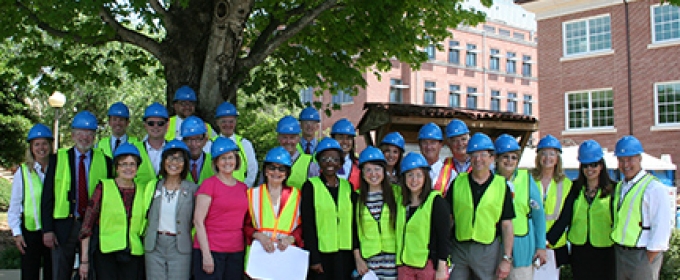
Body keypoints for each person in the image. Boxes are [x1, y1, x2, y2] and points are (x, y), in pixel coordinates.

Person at [41, 111, 113, 280]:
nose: (85, 137)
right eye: (80, 132)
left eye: (89, 133)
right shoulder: (57, 159)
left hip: (93, 227)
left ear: (94, 136)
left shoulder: (106, 161)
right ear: (72, 135)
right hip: (64, 226)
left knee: (89, 273)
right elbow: (47, 197)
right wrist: (48, 230)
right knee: (60, 272)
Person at [447, 133, 514, 280]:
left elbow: (507, 224)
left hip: (487, 250)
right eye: (474, 155)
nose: (478, 159)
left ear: (492, 158)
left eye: (483, 154)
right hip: (459, 248)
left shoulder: (501, 185)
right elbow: (449, 218)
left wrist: (506, 259)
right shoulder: (457, 182)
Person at [78, 143, 146, 280]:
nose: (128, 168)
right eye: (123, 164)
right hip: (106, 253)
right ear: (116, 167)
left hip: (133, 253)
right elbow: (87, 226)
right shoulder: (103, 187)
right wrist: (84, 261)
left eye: (132, 164)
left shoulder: (143, 190)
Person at [611, 136, 672, 280]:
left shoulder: (653, 188)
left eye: (630, 159)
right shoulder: (620, 186)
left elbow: (662, 224)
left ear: (640, 158)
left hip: (643, 254)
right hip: (621, 253)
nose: (626, 164)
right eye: (621, 160)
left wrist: (650, 255)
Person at [552, 140, 615, 280]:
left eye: (594, 164)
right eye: (585, 165)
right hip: (579, 250)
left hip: (605, 250)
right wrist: (546, 240)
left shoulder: (613, 189)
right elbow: (564, 218)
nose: (589, 169)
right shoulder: (574, 188)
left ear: (601, 166)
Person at [301, 137, 357, 279]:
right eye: (325, 159)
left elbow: (353, 223)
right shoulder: (310, 186)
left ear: (341, 162)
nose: (330, 163)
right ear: (319, 162)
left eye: (334, 159)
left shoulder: (347, 187)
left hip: (345, 255)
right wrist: (314, 258)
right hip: (322, 255)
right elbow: (308, 225)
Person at [193, 137, 249, 279]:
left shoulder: (243, 188)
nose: (227, 162)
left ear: (236, 160)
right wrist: (206, 255)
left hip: (236, 251)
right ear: (216, 162)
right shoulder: (209, 185)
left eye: (230, 157)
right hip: (211, 250)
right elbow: (198, 221)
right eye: (222, 158)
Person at [494, 134, 547, 280]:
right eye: (505, 156)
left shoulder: (526, 178)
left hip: (522, 246)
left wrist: (541, 246)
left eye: (514, 157)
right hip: (494, 245)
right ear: (496, 158)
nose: (510, 161)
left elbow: (538, 215)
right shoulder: (489, 180)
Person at [144, 140, 198, 280]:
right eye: (170, 157)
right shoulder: (153, 186)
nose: (174, 162)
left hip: (180, 246)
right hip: (155, 245)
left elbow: (197, 220)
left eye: (180, 158)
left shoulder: (193, 189)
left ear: (185, 163)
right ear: (163, 161)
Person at [8, 124, 54, 280]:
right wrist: (17, 233)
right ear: (31, 147)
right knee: (29, 275)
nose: (41, 148)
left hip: (53, 231)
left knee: (52, 274)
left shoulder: (58, 168)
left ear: (50, 145)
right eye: (37, 144)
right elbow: (14, 205)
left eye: (45, 143)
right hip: (30, 232)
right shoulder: (23, 172)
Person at [395, 152, 450, 280]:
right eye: (410, 175)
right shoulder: (400, 202)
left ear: (426, 177)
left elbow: (444, 237)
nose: (414, 180)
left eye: (419, 175)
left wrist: (442, 267)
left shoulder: (436, 201)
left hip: (428, 266)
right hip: (405, 265)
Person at [245, 147, 303, 256]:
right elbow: (244, 226)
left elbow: (303, 226)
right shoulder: (252, 194)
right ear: (265, 171)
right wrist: (259, 236)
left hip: (287, 254)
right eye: (272, 168)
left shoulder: (297, 195)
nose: (276, 172)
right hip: (259, 253)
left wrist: (291, 238)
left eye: (281, 169)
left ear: (287, 173)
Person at [353, 146, 400, 280]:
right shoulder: (356, 197)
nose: (373, 174)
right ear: (362, 173)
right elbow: (353, 231)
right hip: (369, 261)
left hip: (394, 258)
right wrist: (358, 258)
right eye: (368, 170)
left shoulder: (397, 193)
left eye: (377, 169)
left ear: (384, 171)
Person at [531, 134, 572, 270]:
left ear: (557, 158)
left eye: (552, 154)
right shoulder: (528, 180)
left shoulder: (566, 184)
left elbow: (565, 217)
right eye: (544, 153)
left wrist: (547, 241)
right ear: (538, 157)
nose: (547, 158)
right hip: (531, 242)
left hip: (554, 245)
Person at [213, 101, 258, 187]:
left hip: (239, 192)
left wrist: (244, 188)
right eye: (223, 122)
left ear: (236, 122)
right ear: (217, 122)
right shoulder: (210, 144)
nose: (227, 125)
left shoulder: (244, 143)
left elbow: (252, 169)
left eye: (231, 121)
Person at [272, 115, 317, 189]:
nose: (288, 141)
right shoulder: (270, 160)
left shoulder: (309, 164)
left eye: (292, 138)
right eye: (284, 137)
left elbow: (315, 192)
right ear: (278, 138)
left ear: (298, 139)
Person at [132, 102, 170, 187]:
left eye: (160, 123)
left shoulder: (174, 150)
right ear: (145, 125)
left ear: (167, 125)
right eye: (151, 123)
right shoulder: (134, 150)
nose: (155, 126)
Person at [417, 123, 455, 195]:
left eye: (433, 142)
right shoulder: (413, 171)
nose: (429, 147)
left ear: (441, 145)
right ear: (419, 145)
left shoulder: (451, 175)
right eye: (425, 142)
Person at [181, 116, 214, 185]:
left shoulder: (214, 162)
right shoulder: (177, 163)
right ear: (183, 141)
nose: (193, 144)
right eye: (189, 139)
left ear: (205, 140)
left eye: (198, 139)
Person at [331, 118, 361, 189]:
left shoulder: (360, 165)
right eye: (340, 137)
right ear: (333, 139)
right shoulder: (322, 164)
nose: (345, 142)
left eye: (348, 138)